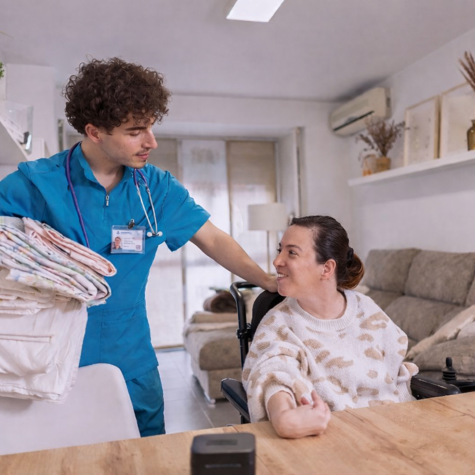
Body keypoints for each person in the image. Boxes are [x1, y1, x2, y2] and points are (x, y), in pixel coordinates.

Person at [0, 57, 276, 437]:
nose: (151, 142)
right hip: (52, 351)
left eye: (150, 126)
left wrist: (266, 280)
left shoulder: (156, 188)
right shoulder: (36, 184)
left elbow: (212, 238)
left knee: (144, 450)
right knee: (64, 451)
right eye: (135, 131)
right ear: (94, 132)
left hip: (130, 354)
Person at [242, 215, 418, 439]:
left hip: (393, 428)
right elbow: (274, 376)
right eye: (280, 250)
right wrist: (284, 418)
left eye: (292, 252)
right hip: (332, 438)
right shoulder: (279, 323)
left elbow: (396, 371)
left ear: (326, 268)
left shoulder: (367, 309)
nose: (277, 261)